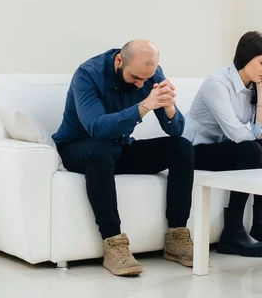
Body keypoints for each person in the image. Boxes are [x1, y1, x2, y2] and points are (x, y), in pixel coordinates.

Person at [53, 40, 195, 276]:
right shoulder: (87, 74)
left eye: (146, 78)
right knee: (100, 150)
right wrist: (143, 106)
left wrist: (169, 108)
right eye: (136, 78)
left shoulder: (150, 73)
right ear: (119, 61)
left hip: (118, 147)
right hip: (78, 148)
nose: (142, 83)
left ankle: (176, 237)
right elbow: (96, 128)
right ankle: (114, 243)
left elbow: (175, 129)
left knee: (181, 148)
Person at [183, 31, 262, 258]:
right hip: (193, 151)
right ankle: (232, 231)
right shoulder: (217, 84)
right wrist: (256, 137)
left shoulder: (253, 86)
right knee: (251, 150)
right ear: (246, 57)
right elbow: (237, 134)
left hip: (222, 149)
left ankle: (260, 225)